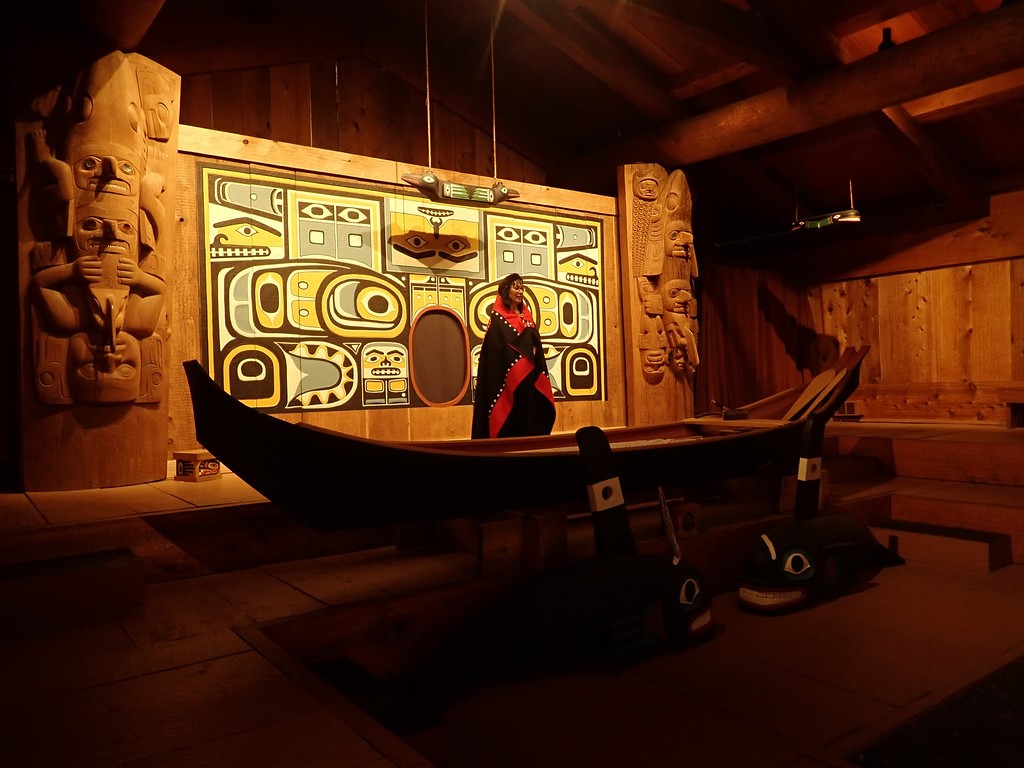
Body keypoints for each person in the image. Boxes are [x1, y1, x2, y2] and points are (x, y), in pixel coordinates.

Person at [471, 273, 556, 439]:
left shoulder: (527, 316)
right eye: (516, 287)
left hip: (530, 378)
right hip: (508, 381)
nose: (520, 291)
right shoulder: (498, 320)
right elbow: (495, 352)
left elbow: (535, 342)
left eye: (522, 288)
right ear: (505, 290)